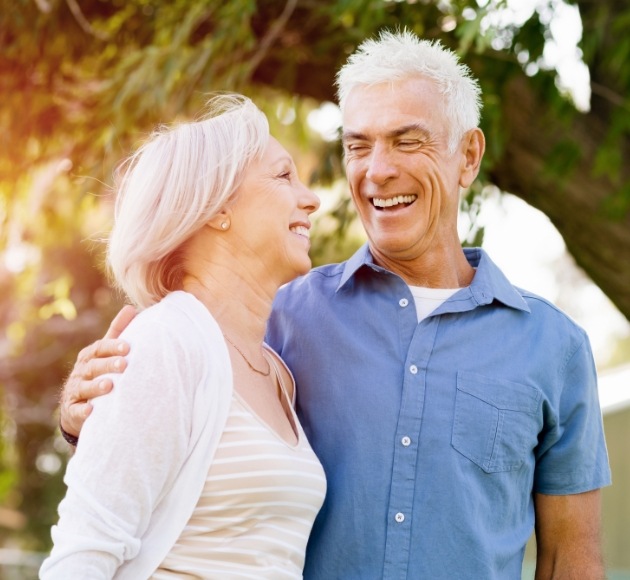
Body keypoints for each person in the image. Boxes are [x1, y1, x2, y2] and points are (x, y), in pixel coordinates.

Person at [59, 31, 611, 579]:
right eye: (357, 145)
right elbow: (157, 438)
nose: (377, 170)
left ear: (468, 156)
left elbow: (571, 560)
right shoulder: (276, 319)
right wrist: (86, 411)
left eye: (407, 141)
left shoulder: (555, 348)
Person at [41, 93, 325, 579]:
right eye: (282, 176)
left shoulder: (277, 372)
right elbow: (81, 555)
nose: (311, 198)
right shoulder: (166, 343)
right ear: (217, 208)